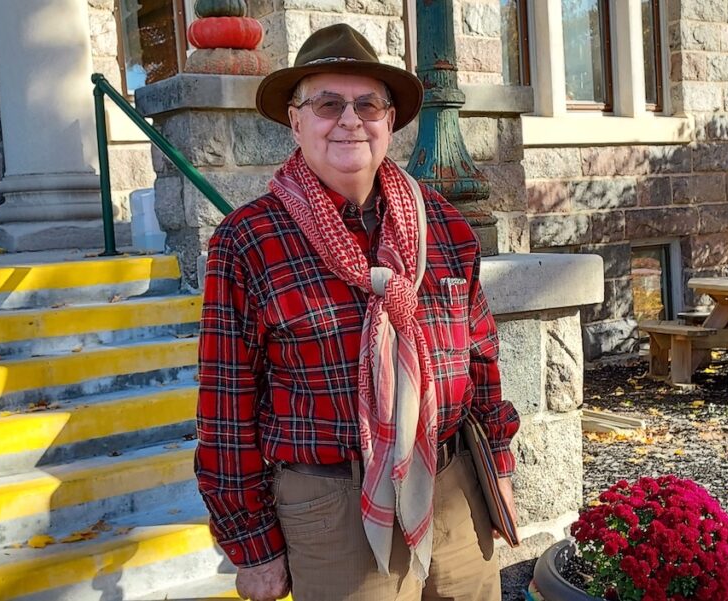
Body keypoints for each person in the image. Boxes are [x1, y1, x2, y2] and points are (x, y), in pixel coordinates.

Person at [195, 23, 521, 601]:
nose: (350, 119)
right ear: (296, 120)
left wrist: (497, 462)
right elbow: (226, 407)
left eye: (367, 103)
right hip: (332, 509)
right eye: (327, 103)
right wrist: (251, 546)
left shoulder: (442, 226)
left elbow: (482, 357)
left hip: (453, 488)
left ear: (389, 119)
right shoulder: (248, 241)